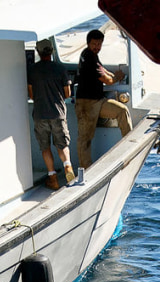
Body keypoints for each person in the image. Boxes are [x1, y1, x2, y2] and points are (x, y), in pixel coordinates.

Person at [73, 29, 132, 170]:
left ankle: (129, 148)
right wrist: (117, 77)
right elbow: (108, 80)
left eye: (99, 44)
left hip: (98, 101)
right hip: (86, 104)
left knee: (122, 111)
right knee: (85, 139)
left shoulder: (91, 55)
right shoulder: (89, 58)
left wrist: (115, 75)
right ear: (88, 43)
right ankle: (85, 170)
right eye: (94, 44)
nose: (97, 47)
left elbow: (104, 70)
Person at [27, 39, 74, 190]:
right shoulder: (60, 68)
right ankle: (68, 169)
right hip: (58, 114)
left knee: (45, 147)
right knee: (62, 145)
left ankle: (52, 178)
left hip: (40, 114)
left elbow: (31, 94)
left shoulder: (32, 70)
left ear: (38, 52)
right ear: (52, 51)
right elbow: (68, 93)